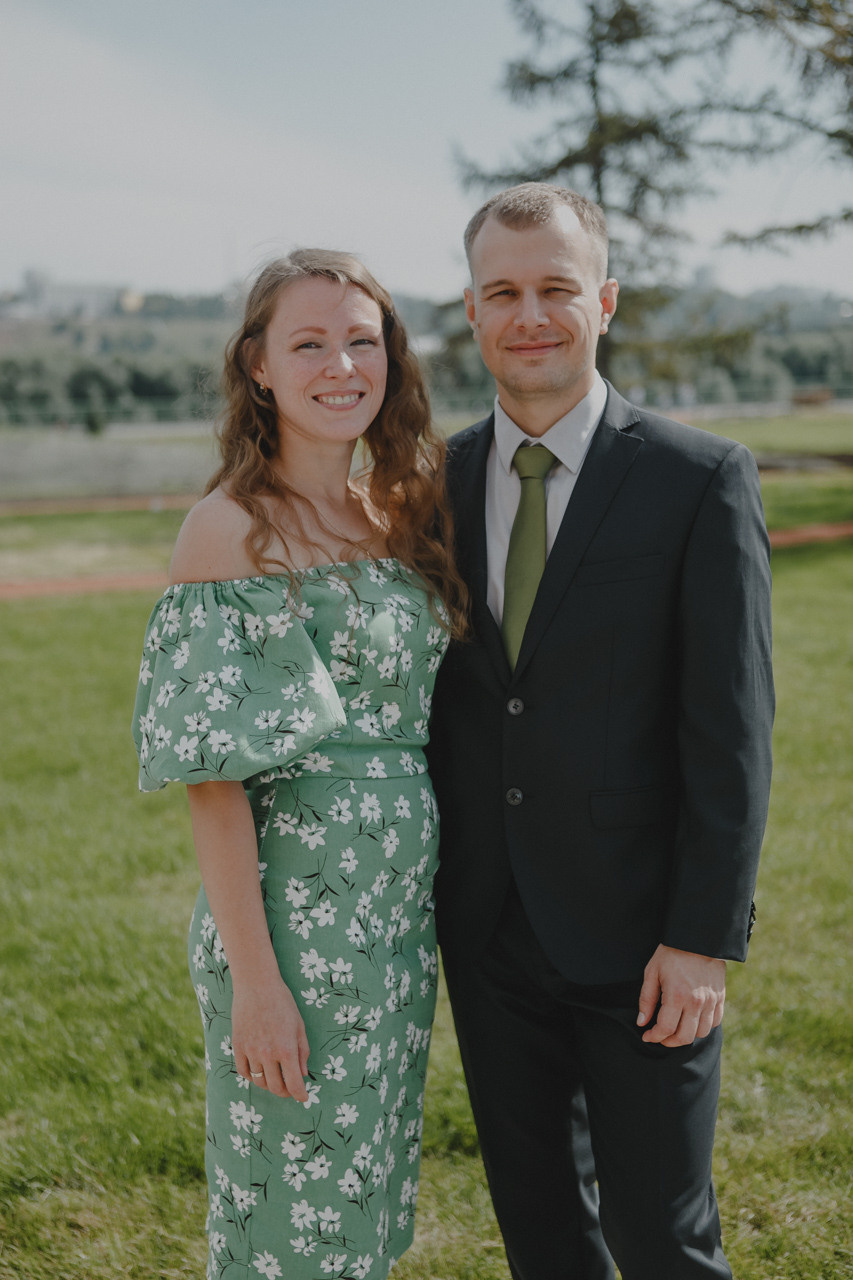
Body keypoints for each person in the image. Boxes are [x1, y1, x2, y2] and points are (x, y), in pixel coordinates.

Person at [427, 183, 774, 1280]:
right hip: (488, 930)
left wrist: (701, 935)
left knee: (662, 1240)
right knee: (542, 1238)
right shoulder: (429, 486)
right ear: (472, 312)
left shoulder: (697, 478)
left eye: (556, 288)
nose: (529, 314)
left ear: (604, 300)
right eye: (502, 293)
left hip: (644, 939)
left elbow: (732, 731)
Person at [131, 249, 466, 1280]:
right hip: (293, 928)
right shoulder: (228, 529)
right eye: (309, 342)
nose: (341, 365)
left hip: (395, 920)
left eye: (361, 340)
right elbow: (214, 783)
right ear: (259, 365)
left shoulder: (400, 513)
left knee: (358, 1212)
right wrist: (258, 984)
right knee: (287, 1222)